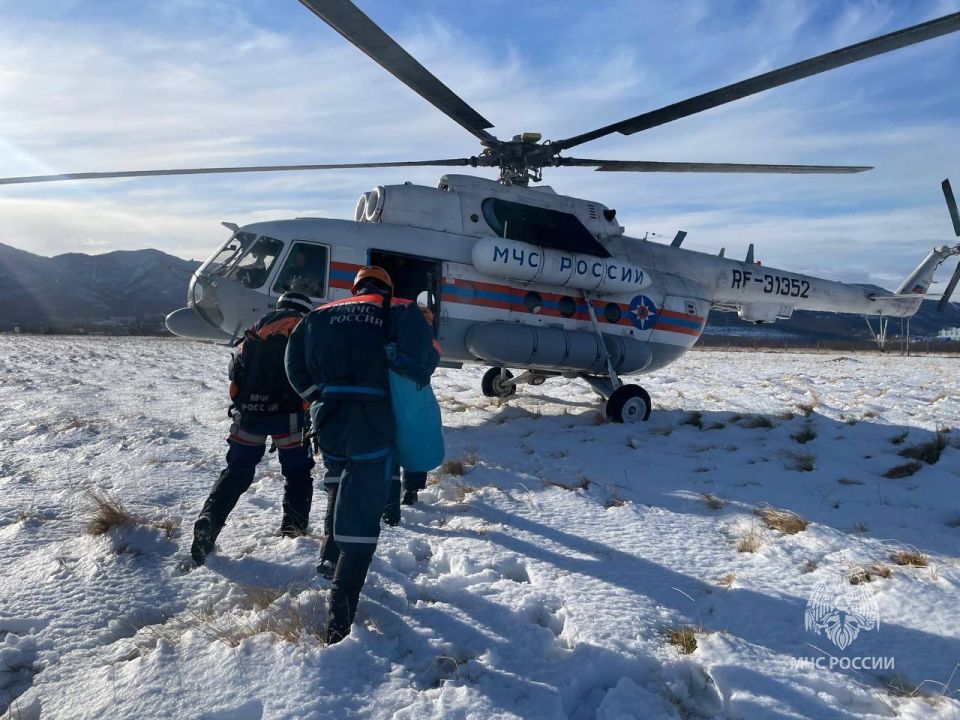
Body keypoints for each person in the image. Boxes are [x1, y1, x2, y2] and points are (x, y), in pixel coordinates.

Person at [285, 266, 439, 644]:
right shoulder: (401, 310)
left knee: (338, 482)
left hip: (328, 420)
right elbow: (424, 362)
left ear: (354, 288)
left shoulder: (319, 315)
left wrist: (315, 396)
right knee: (361, 512)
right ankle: (339, 616)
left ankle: (327, 553)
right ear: (387, 287)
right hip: (372, 419)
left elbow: (293, 364)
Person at [190, 291, 316, 568]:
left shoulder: (253, 332)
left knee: (236, 471)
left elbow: (235, 377)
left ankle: (210, 520)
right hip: (290, 418)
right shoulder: (305, 330)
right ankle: (293, 534)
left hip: (249, 416)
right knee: (297, 474)